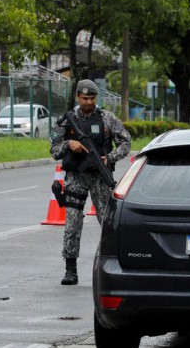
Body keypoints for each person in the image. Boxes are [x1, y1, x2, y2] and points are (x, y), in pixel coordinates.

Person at [50, 79, 131, 285]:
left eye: (92, 98)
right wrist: (69, 144)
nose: (89, 102)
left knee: (108, 223)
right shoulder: (66, 121)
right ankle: (70, 270)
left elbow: (126, 143)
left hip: (100, 178)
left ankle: (113, 265)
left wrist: (109, 158)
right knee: (72, 223)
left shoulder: (107, 118)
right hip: (76, 177)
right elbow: (54, 150)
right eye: (85, 98)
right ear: (78, 96)